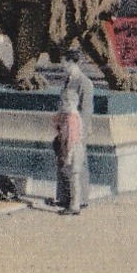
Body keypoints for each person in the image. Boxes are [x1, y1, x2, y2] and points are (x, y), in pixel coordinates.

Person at [52, 46, 94, 215]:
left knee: (76, 165)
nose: (63, 65)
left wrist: (80, 131)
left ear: (72, 62)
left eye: (65, 62)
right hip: (65, 125)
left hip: (76, 127)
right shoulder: (68, 80)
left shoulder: (84, 82)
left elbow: (86, 108)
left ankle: (79, 200)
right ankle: (65, 198)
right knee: (64, 161)